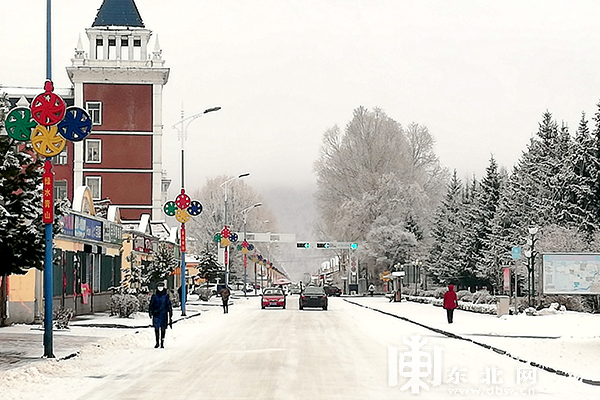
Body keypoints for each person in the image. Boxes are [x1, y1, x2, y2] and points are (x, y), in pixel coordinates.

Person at [149, 282, 173, 348]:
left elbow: (169, 305)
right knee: (156, 329)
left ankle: (162, 342)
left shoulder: (166, 296)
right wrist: (150, 312)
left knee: (163, 329)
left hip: (164, 315)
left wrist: (170, 314)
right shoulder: (154, 296)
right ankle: (157, 342)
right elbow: (151, 304)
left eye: (161, 286)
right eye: (159, 287)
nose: (160, 288)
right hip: (156, 314)